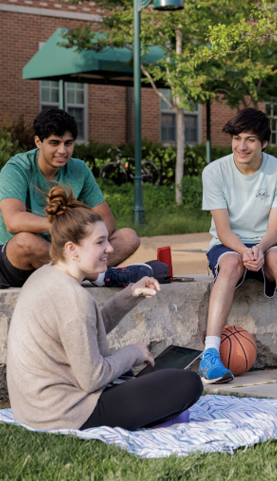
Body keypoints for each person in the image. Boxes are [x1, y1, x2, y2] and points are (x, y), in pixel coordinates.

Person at [7, 186, 203, 431]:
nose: (110, 249)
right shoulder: (73, 297)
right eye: (100, 242)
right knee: (188, 383)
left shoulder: (46, 275)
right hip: (65, 414)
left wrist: (131, 293)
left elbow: (84, 328)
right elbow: (92, 379)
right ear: (72, 250)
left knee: (136, 378)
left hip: (36, 409)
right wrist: (132, 353)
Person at [199, 108, 277, 384]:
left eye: (250, 139)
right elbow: (223, 230)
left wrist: (259, 248)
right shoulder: (214, 171)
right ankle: (210, 354)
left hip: (267, 243)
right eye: (237, 138)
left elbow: (274, 230)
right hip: (227, 244)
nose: (242, 146)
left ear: (264, 142)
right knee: (232, 263)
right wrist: (243, 251)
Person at [0, 108, 150, 288]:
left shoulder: (79, 169)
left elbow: (106, 218)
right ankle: (96, 276)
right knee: (25, 241)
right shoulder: (17, 169)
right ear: (38, 142)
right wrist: (66, 228)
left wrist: (83, 241)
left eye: (68, 143)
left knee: (129, 237)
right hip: (20, 263)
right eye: (54, 143)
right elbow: (13, 220)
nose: (62, 151)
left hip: (66, 253)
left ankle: (83, 272)